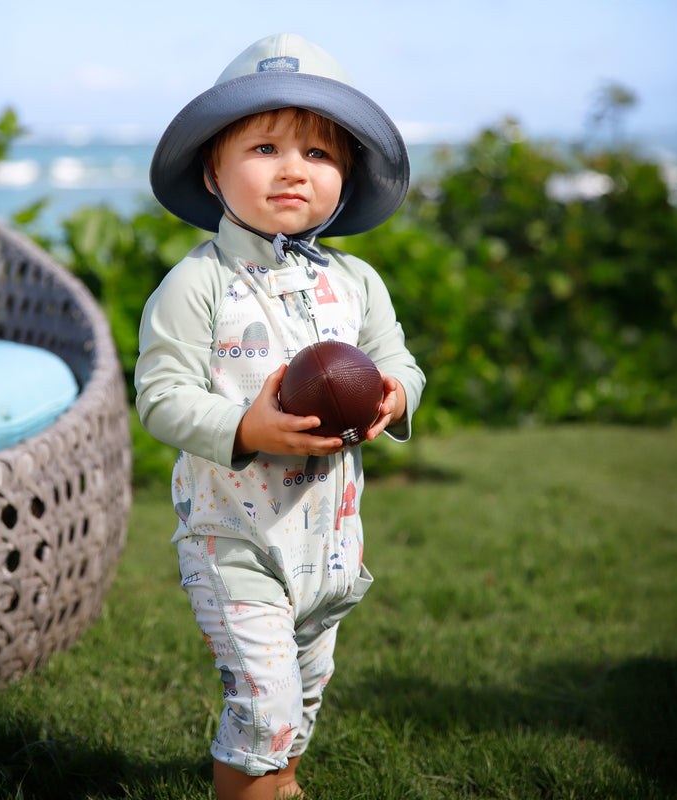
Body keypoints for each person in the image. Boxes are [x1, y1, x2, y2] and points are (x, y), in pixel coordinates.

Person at [135, 33, 426, 800]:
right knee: (264, 705)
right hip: (234, 535)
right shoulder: (199, 284)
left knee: (304, 691)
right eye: (265, 146)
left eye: (320, 155)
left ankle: (282, 782)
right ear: (213, 170)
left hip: (327, 543)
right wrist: (244, 428)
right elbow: (160, 396)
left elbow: (399, 363)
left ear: (347, 178)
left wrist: (394, 394)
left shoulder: (358, 283)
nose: (294, 168)